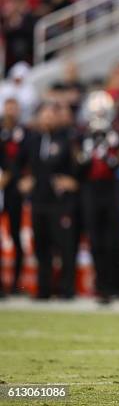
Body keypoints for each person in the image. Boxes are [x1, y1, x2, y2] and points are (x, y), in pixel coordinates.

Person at [75, 91, 119, 304]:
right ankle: (103, 288)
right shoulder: (82, 135)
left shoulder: (115, 133)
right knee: (96, 240)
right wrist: (88, 154)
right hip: (90, 190)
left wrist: (108, 152)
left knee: (116, 240)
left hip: (111, 189)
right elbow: (78, 167)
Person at [16, 103, 79, 299]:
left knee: (65, 247)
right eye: (44, 115)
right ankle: (43, 290)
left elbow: (76, 167)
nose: (48, 118)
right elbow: (17, 163)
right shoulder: (31, 140)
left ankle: (66, 290)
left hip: (60, 202)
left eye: (52, 115)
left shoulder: (66, 139)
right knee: (41, 247)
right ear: (39, 118)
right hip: (38, 201)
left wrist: (72, 180)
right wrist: (22, 180)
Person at [0, 98, 29, 295]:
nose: (11, 110)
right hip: (1, 186)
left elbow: (29, 158)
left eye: (14, 107)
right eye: (9, 107)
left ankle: (16, 282)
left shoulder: (25, 133)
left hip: (14, 190)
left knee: (16, 235)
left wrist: (11, 175)